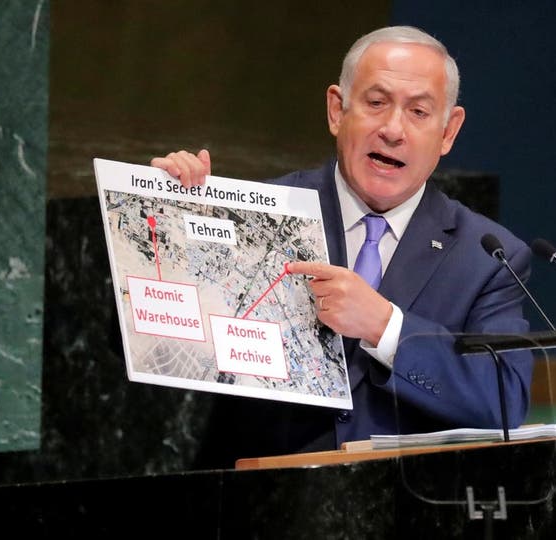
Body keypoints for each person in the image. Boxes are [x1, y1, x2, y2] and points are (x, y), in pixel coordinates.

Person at [152, 26, 533, 464]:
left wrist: (386, 327)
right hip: (256, 492)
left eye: (418, 112)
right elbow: (146, 338)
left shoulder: (487, 257)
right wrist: (167, 225)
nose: (393, 130)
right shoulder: (255, 216)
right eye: (376, 103)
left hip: (401, 497)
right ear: (337, 109)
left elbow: (504, 401)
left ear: (448, 132)